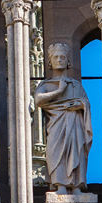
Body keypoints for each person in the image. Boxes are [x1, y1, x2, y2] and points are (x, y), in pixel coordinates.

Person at [34, 43, 92, 195]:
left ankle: (77, 186)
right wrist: (59, 90)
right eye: (55, 57)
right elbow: (39, 100)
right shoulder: (46, 85)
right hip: (56, 126)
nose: (59, 60)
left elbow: (85, 102)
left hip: (75, 125)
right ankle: (60, 186)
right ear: (50, 62)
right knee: (56, 152)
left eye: (62, 57)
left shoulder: (76, 85)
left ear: (68, 62)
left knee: (76, 152)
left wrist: (79, 105)